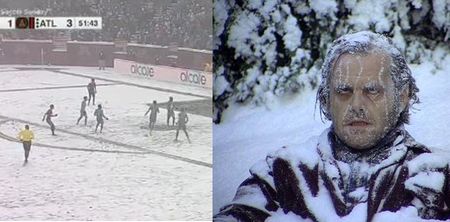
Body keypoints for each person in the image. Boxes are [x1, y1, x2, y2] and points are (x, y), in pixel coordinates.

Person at [214, 31, 450, 221]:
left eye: (372, 90)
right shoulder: (284, 173)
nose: (356, 105)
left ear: (402, 96)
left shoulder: (438, 177)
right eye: (344, 91)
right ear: (326, 100)